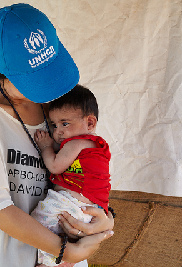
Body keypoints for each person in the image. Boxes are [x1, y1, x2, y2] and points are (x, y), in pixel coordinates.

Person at [0, 4, 114, 267]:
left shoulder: (57, 110)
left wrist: (105, 218)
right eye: (33, 79)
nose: (48, 86)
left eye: (48, 72)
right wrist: (66, 252)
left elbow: (88, 169)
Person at [31, 85, 112, 266]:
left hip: (70, 202)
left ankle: (48, 262)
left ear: (90, 123)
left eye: (65, 123)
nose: (58, 131)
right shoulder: (95, 146)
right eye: (54, 125)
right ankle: (65, 261)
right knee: (59, 231)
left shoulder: (77, 143)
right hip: (89, 208)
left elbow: (55, 166)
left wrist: (46, 147)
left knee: (39, 223)